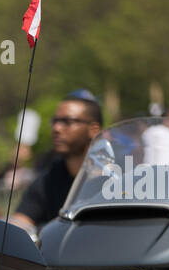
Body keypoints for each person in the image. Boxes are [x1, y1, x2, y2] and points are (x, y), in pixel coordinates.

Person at [11, 91, 102, 234]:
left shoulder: (114, 179)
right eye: (55, 121)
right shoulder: (48, 179)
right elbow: (20, 222)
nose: (56, 128)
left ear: (94, 130)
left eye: (68, 122)